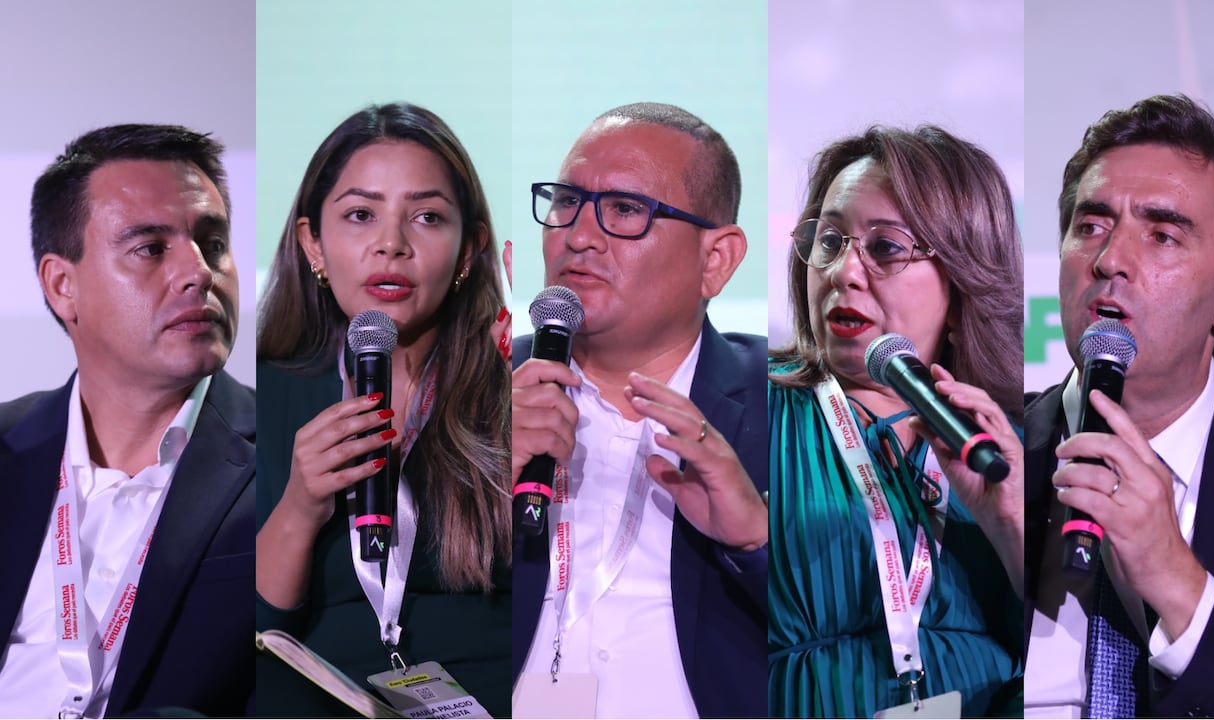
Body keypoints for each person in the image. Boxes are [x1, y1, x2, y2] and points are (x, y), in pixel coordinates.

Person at [1024, 94, 1214, 717]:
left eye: (1162, 235)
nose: (1110, 260)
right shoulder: (984, 448)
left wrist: (1175, 580)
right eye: (1089, 227)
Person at [254, 103, 512, 717]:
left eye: (426, 216)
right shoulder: (259, 397)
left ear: (469, 250)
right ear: (313, 242)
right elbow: (253, 630)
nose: (391, 244)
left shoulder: (518, 388)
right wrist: (300, 505)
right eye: (360, 215)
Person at [510, 102, 767, 718]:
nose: (578, 235)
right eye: (566, 202)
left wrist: (757, 538)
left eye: (625, 209)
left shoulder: (784, 403)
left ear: (717, 260)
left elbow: (847, 621)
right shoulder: (479, 389)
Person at [767, 126, 1025, 717]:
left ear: (962, 284)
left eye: (885, 248)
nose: (843, 272)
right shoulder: (757, 408)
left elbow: (1081, 655)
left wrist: (1011, 526)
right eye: (830, 241)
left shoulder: (1013, 437)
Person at [0, 124, 253, 716]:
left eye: (213, 243)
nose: (199, 273)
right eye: (151, 249)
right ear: (63, 286)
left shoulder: (286, 460)